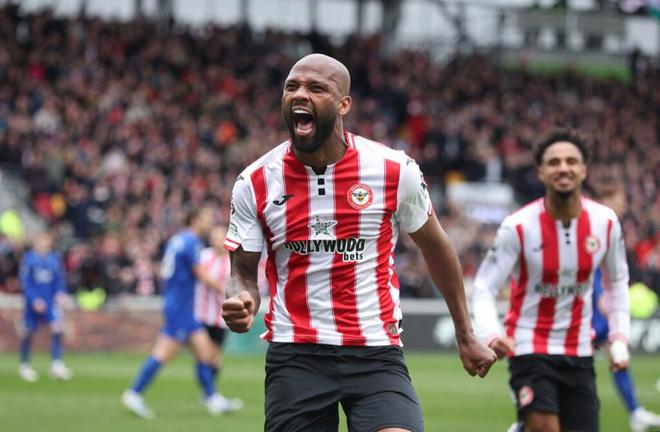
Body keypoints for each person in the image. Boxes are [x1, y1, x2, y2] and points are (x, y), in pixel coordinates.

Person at [221, 53, 497, 432]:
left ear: (343, 104)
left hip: (375, 352)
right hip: (297, 354)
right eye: (292, 87)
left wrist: (466, 335)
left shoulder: (393, 170)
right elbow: (241, 274)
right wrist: (241, 299)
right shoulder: (254, 182)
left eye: (316, 88)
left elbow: (436, 248)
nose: (300, 94)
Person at [472, 130, 631, 432]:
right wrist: (491, 334)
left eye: (571, 161)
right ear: (541, 172)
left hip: (580, 350)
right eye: (554, 162)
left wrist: (620, 337)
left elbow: (617, 283)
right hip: (528, 346)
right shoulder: (517, 227)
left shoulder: (606, 222)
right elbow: (483, 287)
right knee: (545, 427)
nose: (563, 168)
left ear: (583, 170)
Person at [121, 206, 239, 418]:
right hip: (181, 308)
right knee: (163, 354)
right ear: (194, 219)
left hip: (180, 304)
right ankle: (134, 394)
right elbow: (202, 275)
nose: (209, 222)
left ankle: (212, 398)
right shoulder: (191, 242)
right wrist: (228, 291)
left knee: (205, 353)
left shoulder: (177, 240)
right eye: (206, 217)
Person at [591, 188, 660, 432]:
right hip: (588, 308)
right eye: (617, 200)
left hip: (599, 307)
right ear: (605, 201)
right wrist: (600, 294)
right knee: (572, 363)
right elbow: (591, 267)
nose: (622, 205)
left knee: (617, 356)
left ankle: (635, 412)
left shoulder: (610, 229)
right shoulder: (595, 229)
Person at [193, 225, 243, 411]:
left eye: (220, 237)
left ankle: (208, 393)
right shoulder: (204, 256)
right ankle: (210, 395)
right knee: (203, 355)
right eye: (214, 237)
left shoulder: (232, 261)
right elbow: (201, 277)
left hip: (221, 317)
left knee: (215, 358)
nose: (216, 241)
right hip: (201, 314)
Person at [17, 231, 72, 382]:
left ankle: (56, 364)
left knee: (57, 328)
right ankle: (25, 365)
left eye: (47, 241)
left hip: (50, 302)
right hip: (33, 304)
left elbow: (59, 280)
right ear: (36, 243)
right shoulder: (29, 259)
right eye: (42, 241)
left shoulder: (54, 259)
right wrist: (34, 299)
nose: (45, 244)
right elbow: (26, 282)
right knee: (28, 332)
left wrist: (60, 293)